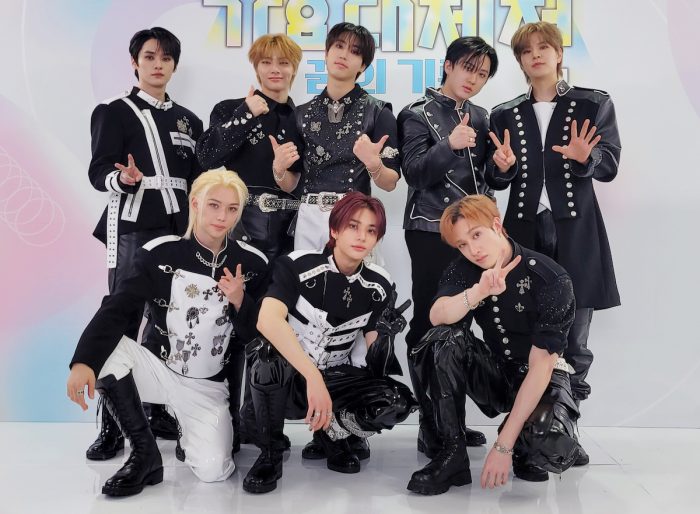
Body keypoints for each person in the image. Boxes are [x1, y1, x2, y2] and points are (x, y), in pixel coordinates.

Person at [67, 169, 269, 497]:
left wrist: (240, 301)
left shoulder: (253, 263)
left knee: (214, 471)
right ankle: (144, 452)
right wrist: (83, 363)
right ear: (195, 204)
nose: (222, 216)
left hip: (207, 387)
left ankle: (188, 428)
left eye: (232, 209)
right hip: (158, 370)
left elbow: (256, 338)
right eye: (214, 205)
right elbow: (118, 307)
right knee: (105, 352)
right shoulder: (159, 252)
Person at [486, 22, 621, 462]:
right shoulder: (505, 113)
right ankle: (527, 434)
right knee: (524, 334)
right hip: (523, 233)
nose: (537, 55)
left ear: (559, 54)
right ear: (520, 61)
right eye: (527, 51)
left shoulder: (593, 102)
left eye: (545, 47)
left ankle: (565, 431)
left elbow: (610, 164)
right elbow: (494, 177)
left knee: (576, 339)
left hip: (577, 231)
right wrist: (503, 168)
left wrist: (587, 158)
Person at [242, 192, 416, 494]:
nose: (361, 237)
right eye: (353, 226)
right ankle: (270, 455)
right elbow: (267, 321)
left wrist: (386, 337)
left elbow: (374, 363)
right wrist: (312, 377)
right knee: (266, 356)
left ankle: (333, 434)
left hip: (336, 378)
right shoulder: (295, 265)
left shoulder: (380, 284)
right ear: (334, 229)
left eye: (371, 230)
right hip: (291, 380)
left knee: (396, 401)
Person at [407, 195, 581, 495]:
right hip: (499, 374)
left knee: (545, 444)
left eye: (476, 235)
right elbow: (437, 316)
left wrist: (503, 445)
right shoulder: (465, 268)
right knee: (442, 338)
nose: (472, 250)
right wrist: (478, 292)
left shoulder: (549, 276)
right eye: (462, 244)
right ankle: (453, 454)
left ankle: (530, 439)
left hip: (545, 378)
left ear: (497, 226)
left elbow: (541, 368)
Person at [85, 27, 204, 458]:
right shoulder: (113, 111)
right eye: (149, 57)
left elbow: (197, 179)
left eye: (166, 58)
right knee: (123, 320)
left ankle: (154, 411)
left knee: (169, 321)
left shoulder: (190, 120)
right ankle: (112, 425)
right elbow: (98, 170)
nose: (158, 64)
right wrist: (124, 179)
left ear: (175, 65)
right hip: (134, 227)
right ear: (134, 62)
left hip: (181, 229)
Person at [196, 33, 303, 453]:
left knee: (273, 329)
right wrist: (246, 113)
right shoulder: (230, 109)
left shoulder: (301, 118)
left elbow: (303, 181)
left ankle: (259, 422)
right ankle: (219, 424)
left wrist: (282, 172)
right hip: (239, 229)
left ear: (295, 68)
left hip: (289, 232)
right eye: (266, 62)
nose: (275, 69)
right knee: (228, 325)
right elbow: (207, 156)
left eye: (283, 62)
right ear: (255, 67)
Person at [398, 36, 499, 456]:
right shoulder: (415, 113)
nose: (473, 79)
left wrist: (504, 169)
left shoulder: (482, 116)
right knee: (429, 323)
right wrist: (449, 145)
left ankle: (451, 420)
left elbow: (486, 179)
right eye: (468, 68)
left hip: (473, 235)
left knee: (462, 325)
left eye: (482, 74)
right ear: (448, 65)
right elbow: (414, 173)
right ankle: (430, 423)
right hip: (429, 230)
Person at [275, 22, 401, 252]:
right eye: (339, 46)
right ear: (326, 53)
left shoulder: (378, 112)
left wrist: (374, 165)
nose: (344, 55)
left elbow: (390, 182)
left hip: (355, 216)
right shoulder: (301, 114)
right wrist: (279, 170)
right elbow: (290, 183)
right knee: (306, 274)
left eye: (355, 51)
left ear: (363, 65)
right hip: (309, 217)